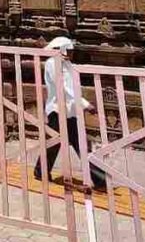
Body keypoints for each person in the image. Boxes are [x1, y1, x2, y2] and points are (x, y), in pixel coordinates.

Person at [33, 36, 107, 191]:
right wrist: (85, 104)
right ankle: (41, 171)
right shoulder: (52, 64)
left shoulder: (67, 64)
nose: (72, 53)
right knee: (55, 144)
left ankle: (99, 178)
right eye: (70, 50)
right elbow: (64, 87)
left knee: (81, 145)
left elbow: (72, 87)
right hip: (57, 110)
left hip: (70, 110)